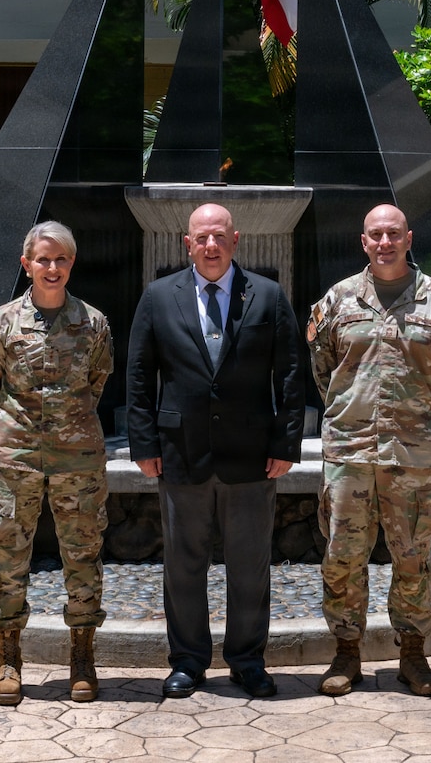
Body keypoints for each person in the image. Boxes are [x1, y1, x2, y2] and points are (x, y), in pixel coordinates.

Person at [126, 202, 305, 699]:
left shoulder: (267, 296)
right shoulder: (160, 296)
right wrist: (143, 443)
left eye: (219, 236)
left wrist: (286, 442)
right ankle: (188, 660)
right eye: (201, 237)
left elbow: (290, 374)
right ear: (188, 243)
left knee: (250, 565)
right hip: (180, 452)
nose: (210, 245)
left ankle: (247, 660)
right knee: (184, 565)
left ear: (235, 239)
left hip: (251, 456)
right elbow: (139, 376)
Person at [306, 203, 431, 697]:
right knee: (342, 554)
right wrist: (347, 413)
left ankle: (413, 656)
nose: (384, 242)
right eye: (376, 235)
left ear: (408, 238)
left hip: (412, 456)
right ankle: (346, 653)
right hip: (350, 453)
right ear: (364, 242)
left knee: (413, 555)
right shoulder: (337, 301)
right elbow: (324, 369)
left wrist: (428, 423)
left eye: (393, 234)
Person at [0, 220, 114, 706]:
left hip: (79, 461)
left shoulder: (94, 324)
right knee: (9, 559)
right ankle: (8, 659)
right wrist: (19, 432)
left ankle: (82, 657)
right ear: (26, 264)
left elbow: (97, 384)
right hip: (15, 460)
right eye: (43, 259)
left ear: (71, 264)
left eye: (61, 260)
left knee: (83, 555)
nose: (52, 268)